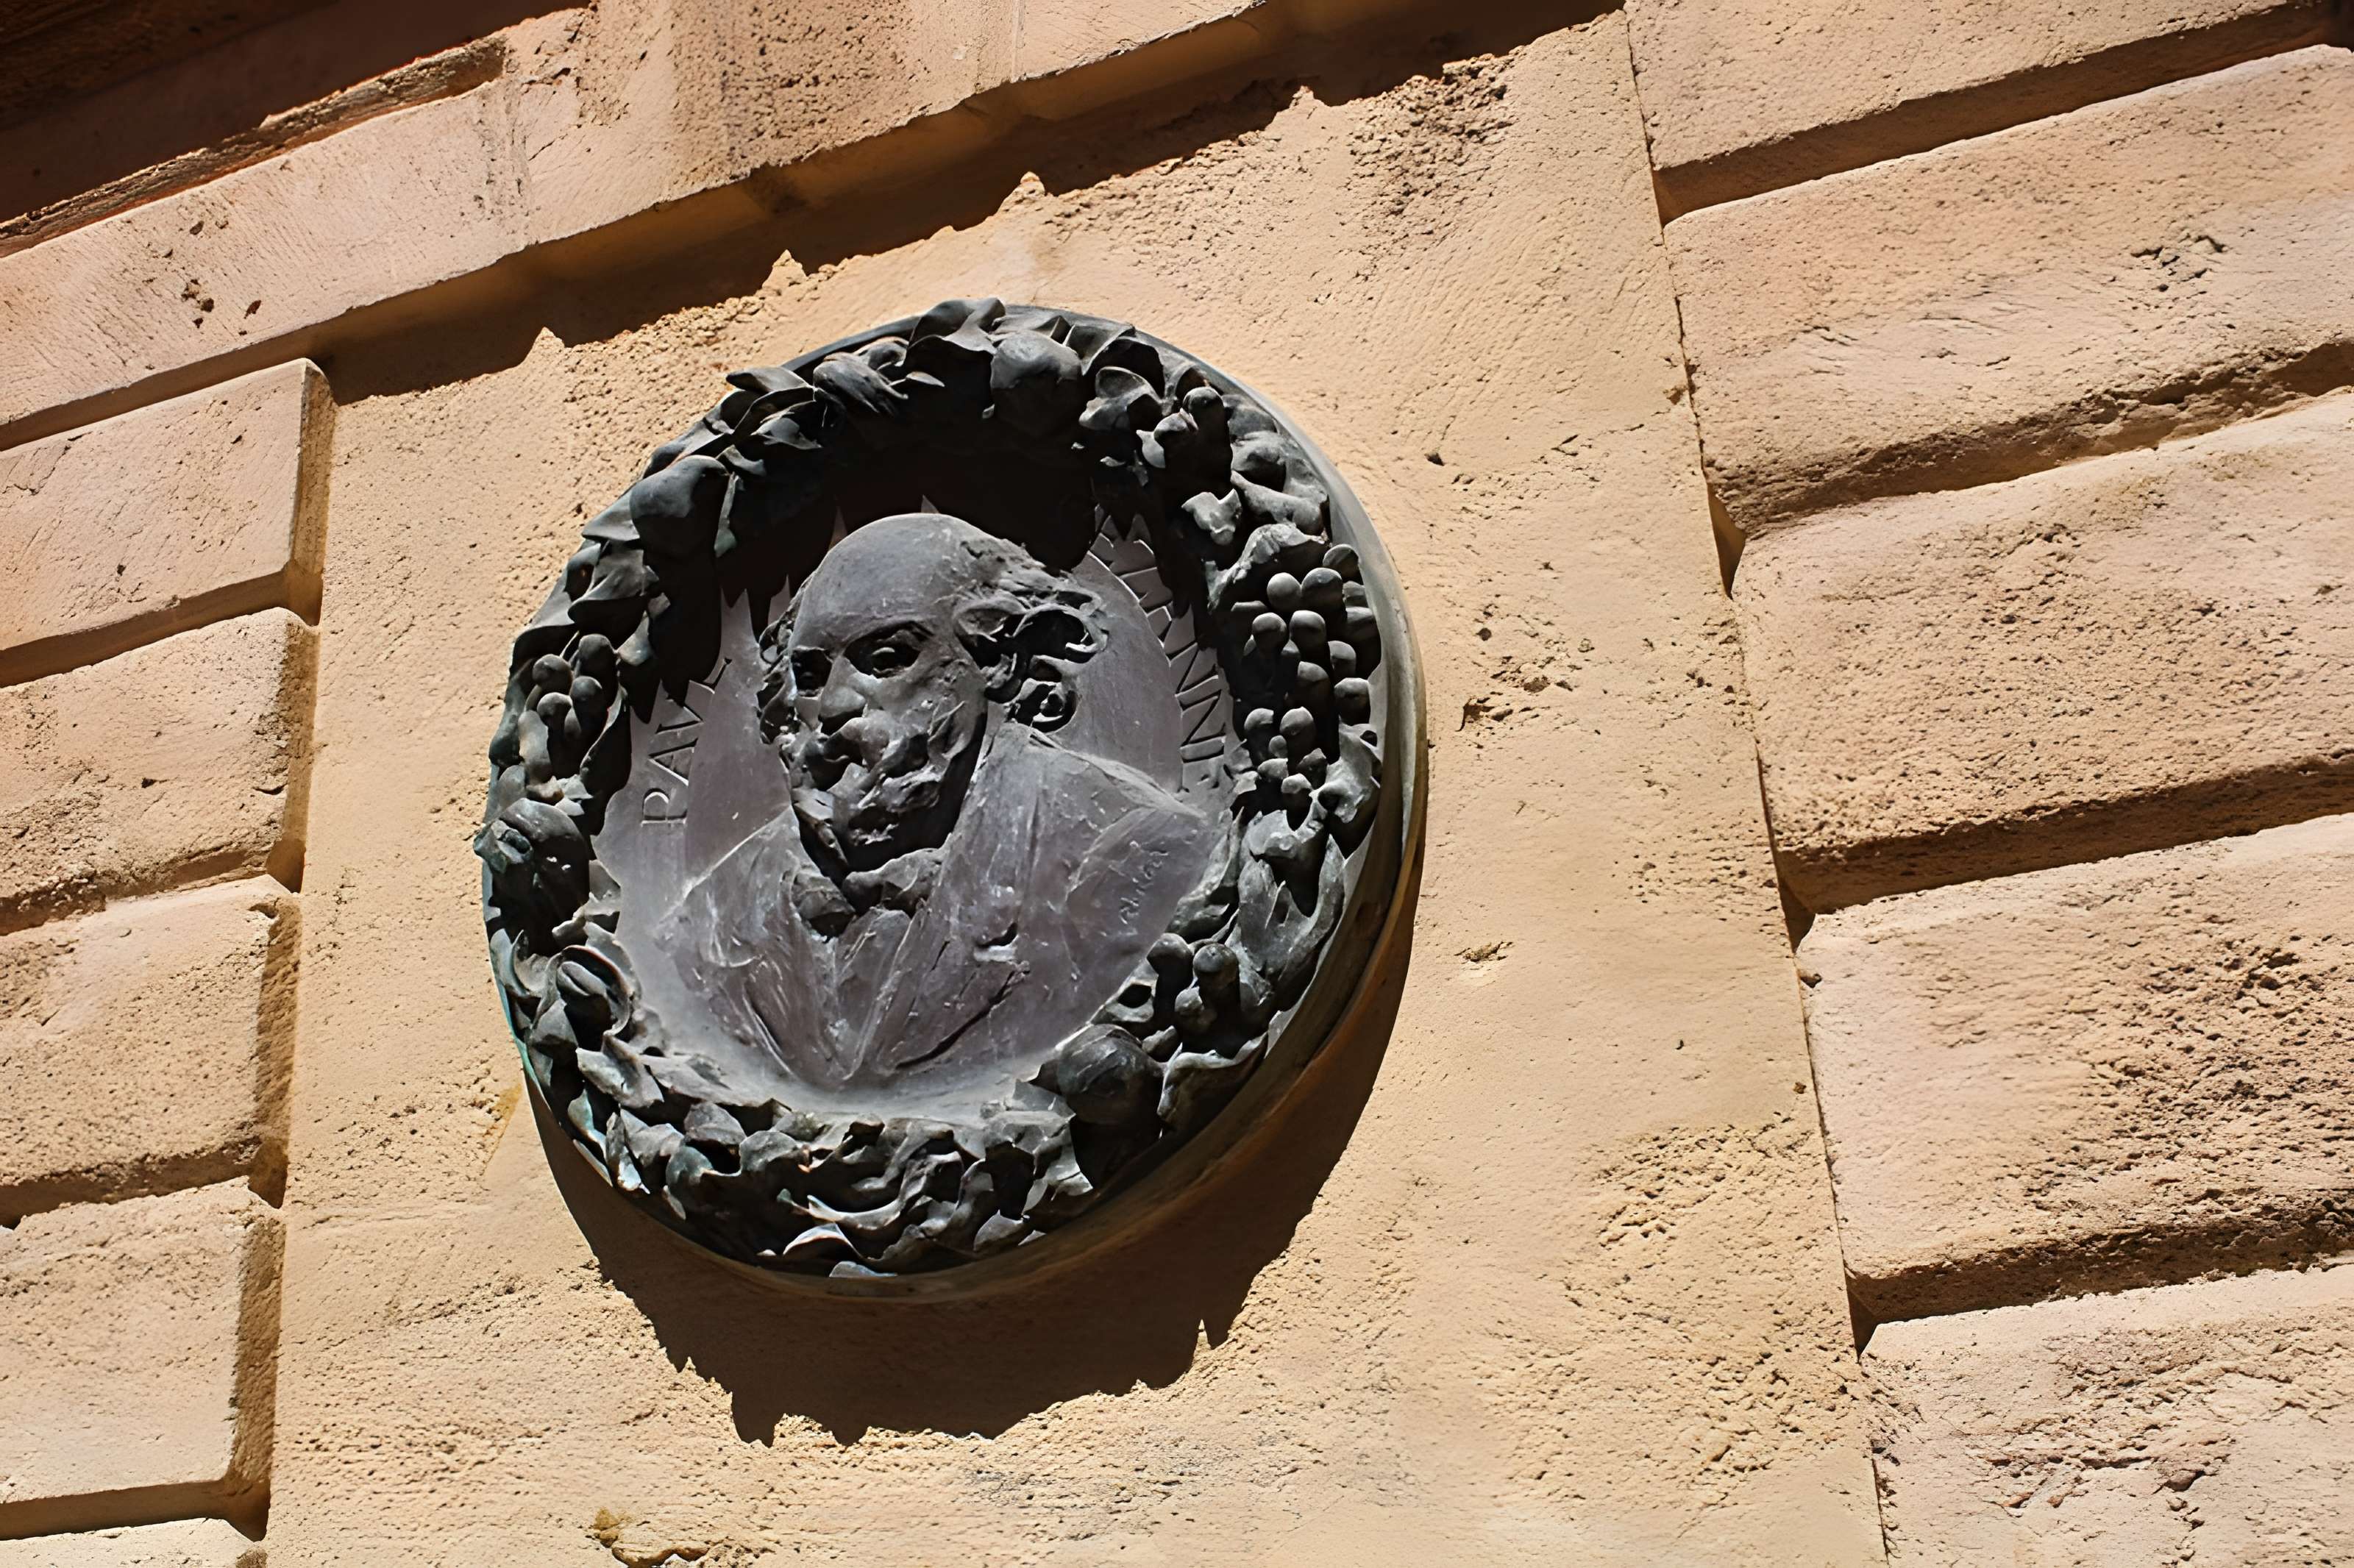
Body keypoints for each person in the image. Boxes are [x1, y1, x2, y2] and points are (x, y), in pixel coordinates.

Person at [663, 512, 1213, 1095]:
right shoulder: (718, 911)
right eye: (812, 674)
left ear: (996, 664)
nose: (834, 707)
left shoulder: (1131, 852)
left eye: (886, 660)